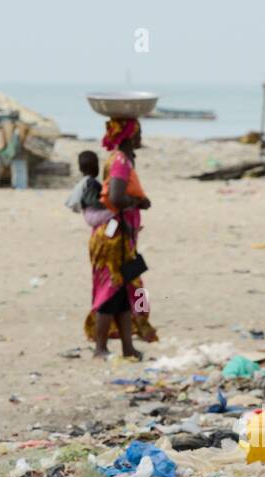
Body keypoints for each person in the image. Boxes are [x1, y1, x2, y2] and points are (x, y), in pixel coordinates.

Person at [85, 118, 157, 359]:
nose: (140, 138)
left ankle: (128, 346)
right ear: (129, 135)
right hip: (113, 239)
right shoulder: (120, 162)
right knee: (111, 292)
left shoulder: (123, 160)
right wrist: (139, 202)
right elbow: (116, 197)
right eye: (138, 133)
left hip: (121, 237)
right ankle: (100, 348)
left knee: (125, 290)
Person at [65, 150, 113, 229]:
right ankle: (111, 234)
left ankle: (110, 233)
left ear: (80, 168)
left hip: (90, 215)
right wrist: (107, 205)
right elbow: (91, 200)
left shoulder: (84, 181)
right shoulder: (90, 182)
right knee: (116, 213)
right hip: (93, 214)